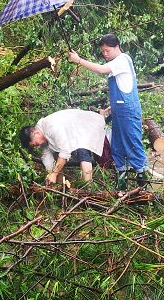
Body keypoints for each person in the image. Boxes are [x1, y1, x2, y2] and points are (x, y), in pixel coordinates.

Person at [68, 34, 149, 189]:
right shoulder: (116, 62)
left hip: (128, 111)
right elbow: (123, 86)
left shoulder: (122, 60)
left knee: (133, 144)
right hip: (118, 111)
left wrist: (78, 60)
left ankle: (143, 185)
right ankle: (122, 185)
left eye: (107, 50)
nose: (105, 54)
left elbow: (101, 70)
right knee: (117, 146)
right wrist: (113, 106)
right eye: (103, 51)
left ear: (117, 47)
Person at [19, 109, 108, 185]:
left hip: (86, 126)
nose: (37, 147)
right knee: (57, 158)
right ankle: (61, 188)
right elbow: (47, 158)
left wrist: (54, 174)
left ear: (36, 133)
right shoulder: (42, 132)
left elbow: (65, 152)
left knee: (82, 152)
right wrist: (50, 174)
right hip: (76, 133)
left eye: (35, 144)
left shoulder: (51, 126)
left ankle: (87, 188)